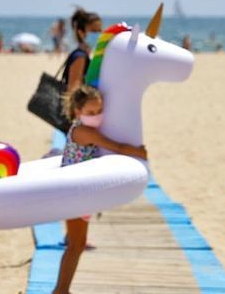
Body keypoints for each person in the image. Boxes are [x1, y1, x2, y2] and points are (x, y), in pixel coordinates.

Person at [53, 85, 147, 294]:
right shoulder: (84, 131)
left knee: (78, 244)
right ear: (78, 112)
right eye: (91, 113)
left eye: (99, 111)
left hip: (82, 193)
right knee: (75, 245)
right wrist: (141, 152)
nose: (96, 116)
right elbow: (118, 147)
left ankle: (62, 290)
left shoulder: (82, 127)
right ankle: (60, 291)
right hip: (75, 193)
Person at [63, 8, 103, 94]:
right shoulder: (80, 57)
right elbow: (72, 92)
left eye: (99, 30)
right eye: (93, 31)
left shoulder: (83, 55)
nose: (98, 34)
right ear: (81, 33)